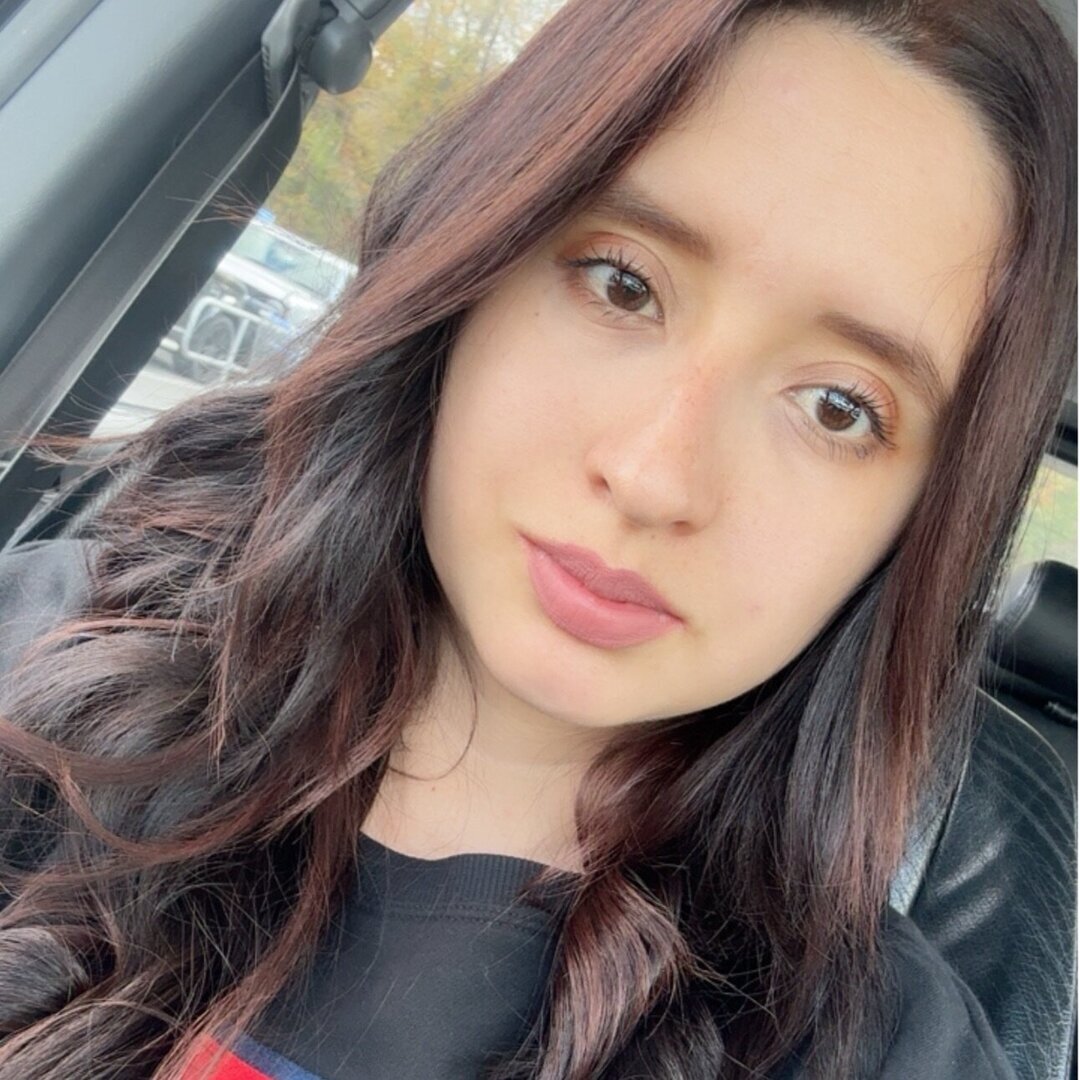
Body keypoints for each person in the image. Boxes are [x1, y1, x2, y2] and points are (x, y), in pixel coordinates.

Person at [0, 0, 1074, 1077]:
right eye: (622, 284)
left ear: (920, 521)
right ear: (477, 249)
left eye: (839, 408)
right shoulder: (41, 668)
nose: (653, 476)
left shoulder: (883, 1053)